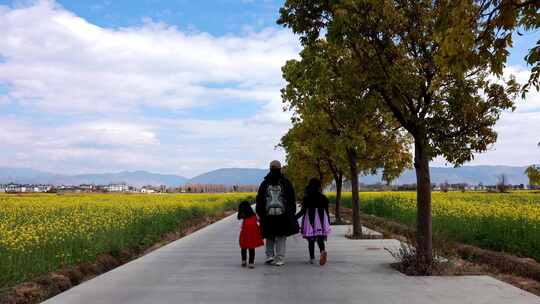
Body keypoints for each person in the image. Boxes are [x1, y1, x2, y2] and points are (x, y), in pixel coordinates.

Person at [255, 160, 298, 266]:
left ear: (270, 169)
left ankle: (269, 256)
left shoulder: (264, 183)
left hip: (268, 215)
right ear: (280, 169)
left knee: (269, 235)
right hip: (283, 215)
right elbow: (291, 199)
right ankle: (280, 258)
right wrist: (291, 213)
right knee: (281, 236)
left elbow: (259, 199)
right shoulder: (286, 182)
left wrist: (260, 214)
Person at [296, 178, 331, 265]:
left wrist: (294, 217)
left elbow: (303, 211)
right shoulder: (324, 198)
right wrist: (328, 222)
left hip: (310, 218)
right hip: (321, 219)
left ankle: (312, 258)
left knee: (311, 239)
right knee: (320, 238)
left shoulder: (307, 198)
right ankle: (322, 251)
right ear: (319, 187)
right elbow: (327, 211)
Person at [237, 200, 264, 269]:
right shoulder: (254, 214)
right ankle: (251, 263)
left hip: (245, 233)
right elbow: (260, 220)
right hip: (253, 233)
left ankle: (244, 261)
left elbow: (239, 218)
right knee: (251, 248)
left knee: (243, 247)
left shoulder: (243, 215)